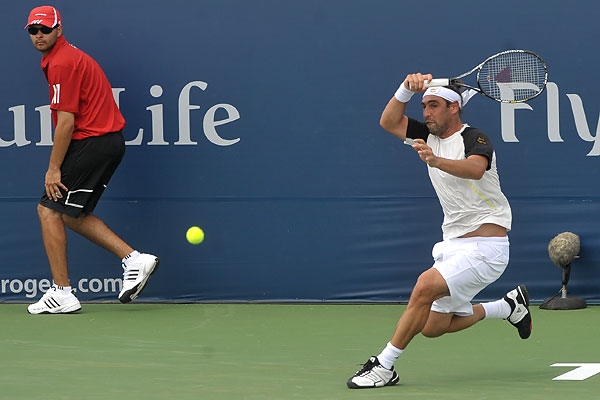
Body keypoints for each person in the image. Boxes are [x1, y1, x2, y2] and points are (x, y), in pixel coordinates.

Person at [346, 73, 532, 388]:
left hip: (487, 248)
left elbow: (475, 168)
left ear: (453, 108)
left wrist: (436, 161)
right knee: (432, 326)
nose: (427, 113)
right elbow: (388, 122)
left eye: (434, 105)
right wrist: (405, 88)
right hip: (453, 246)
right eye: (424, 106)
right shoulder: (426, 135)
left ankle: (384, 366)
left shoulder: (475, 137)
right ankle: (507, 307)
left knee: (424, 287)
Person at [25, 5, 159, 314]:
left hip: (94, 142)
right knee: (70, 213)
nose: (39, 35)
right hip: (104, 143)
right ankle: (134, 259)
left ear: (59, 29)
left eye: (45, 29)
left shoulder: (62, 62)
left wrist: (54, 168)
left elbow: (66, 123)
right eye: (33, 30)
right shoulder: (62, 58)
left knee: (48, 210)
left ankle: (62, 292)